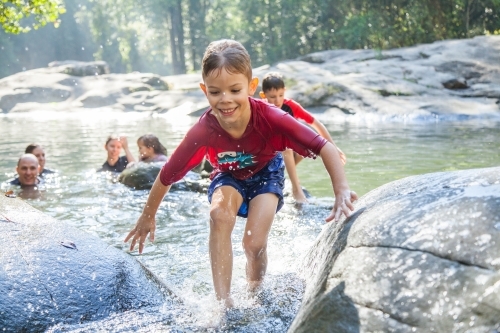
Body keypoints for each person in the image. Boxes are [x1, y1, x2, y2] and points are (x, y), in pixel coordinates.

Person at [124, 39, 357, 308]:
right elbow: (168, 173)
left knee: (253, 245)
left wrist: (341, 191)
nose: (225, 100)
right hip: (228, 175)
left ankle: (255, 295)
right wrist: (147, 214)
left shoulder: (272, 118)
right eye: (215, 92)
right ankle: (224, 304)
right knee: (218, 215)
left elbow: (324, 146)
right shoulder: (204, 129)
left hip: (266, 174)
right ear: (204, 90)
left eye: (235, 89)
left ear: (251, 86)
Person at [259, 72, 347, 204]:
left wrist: (333, 147)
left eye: (281, 95)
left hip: (286, 150)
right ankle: (296, 190)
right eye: (272, 97)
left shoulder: (291, 106)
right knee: (286, 148)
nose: (277, 100)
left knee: (308, 146)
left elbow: (316, 124)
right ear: (263, 95)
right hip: (268, 152)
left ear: (285, 91)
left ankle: (286, 174)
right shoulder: (259, 107)